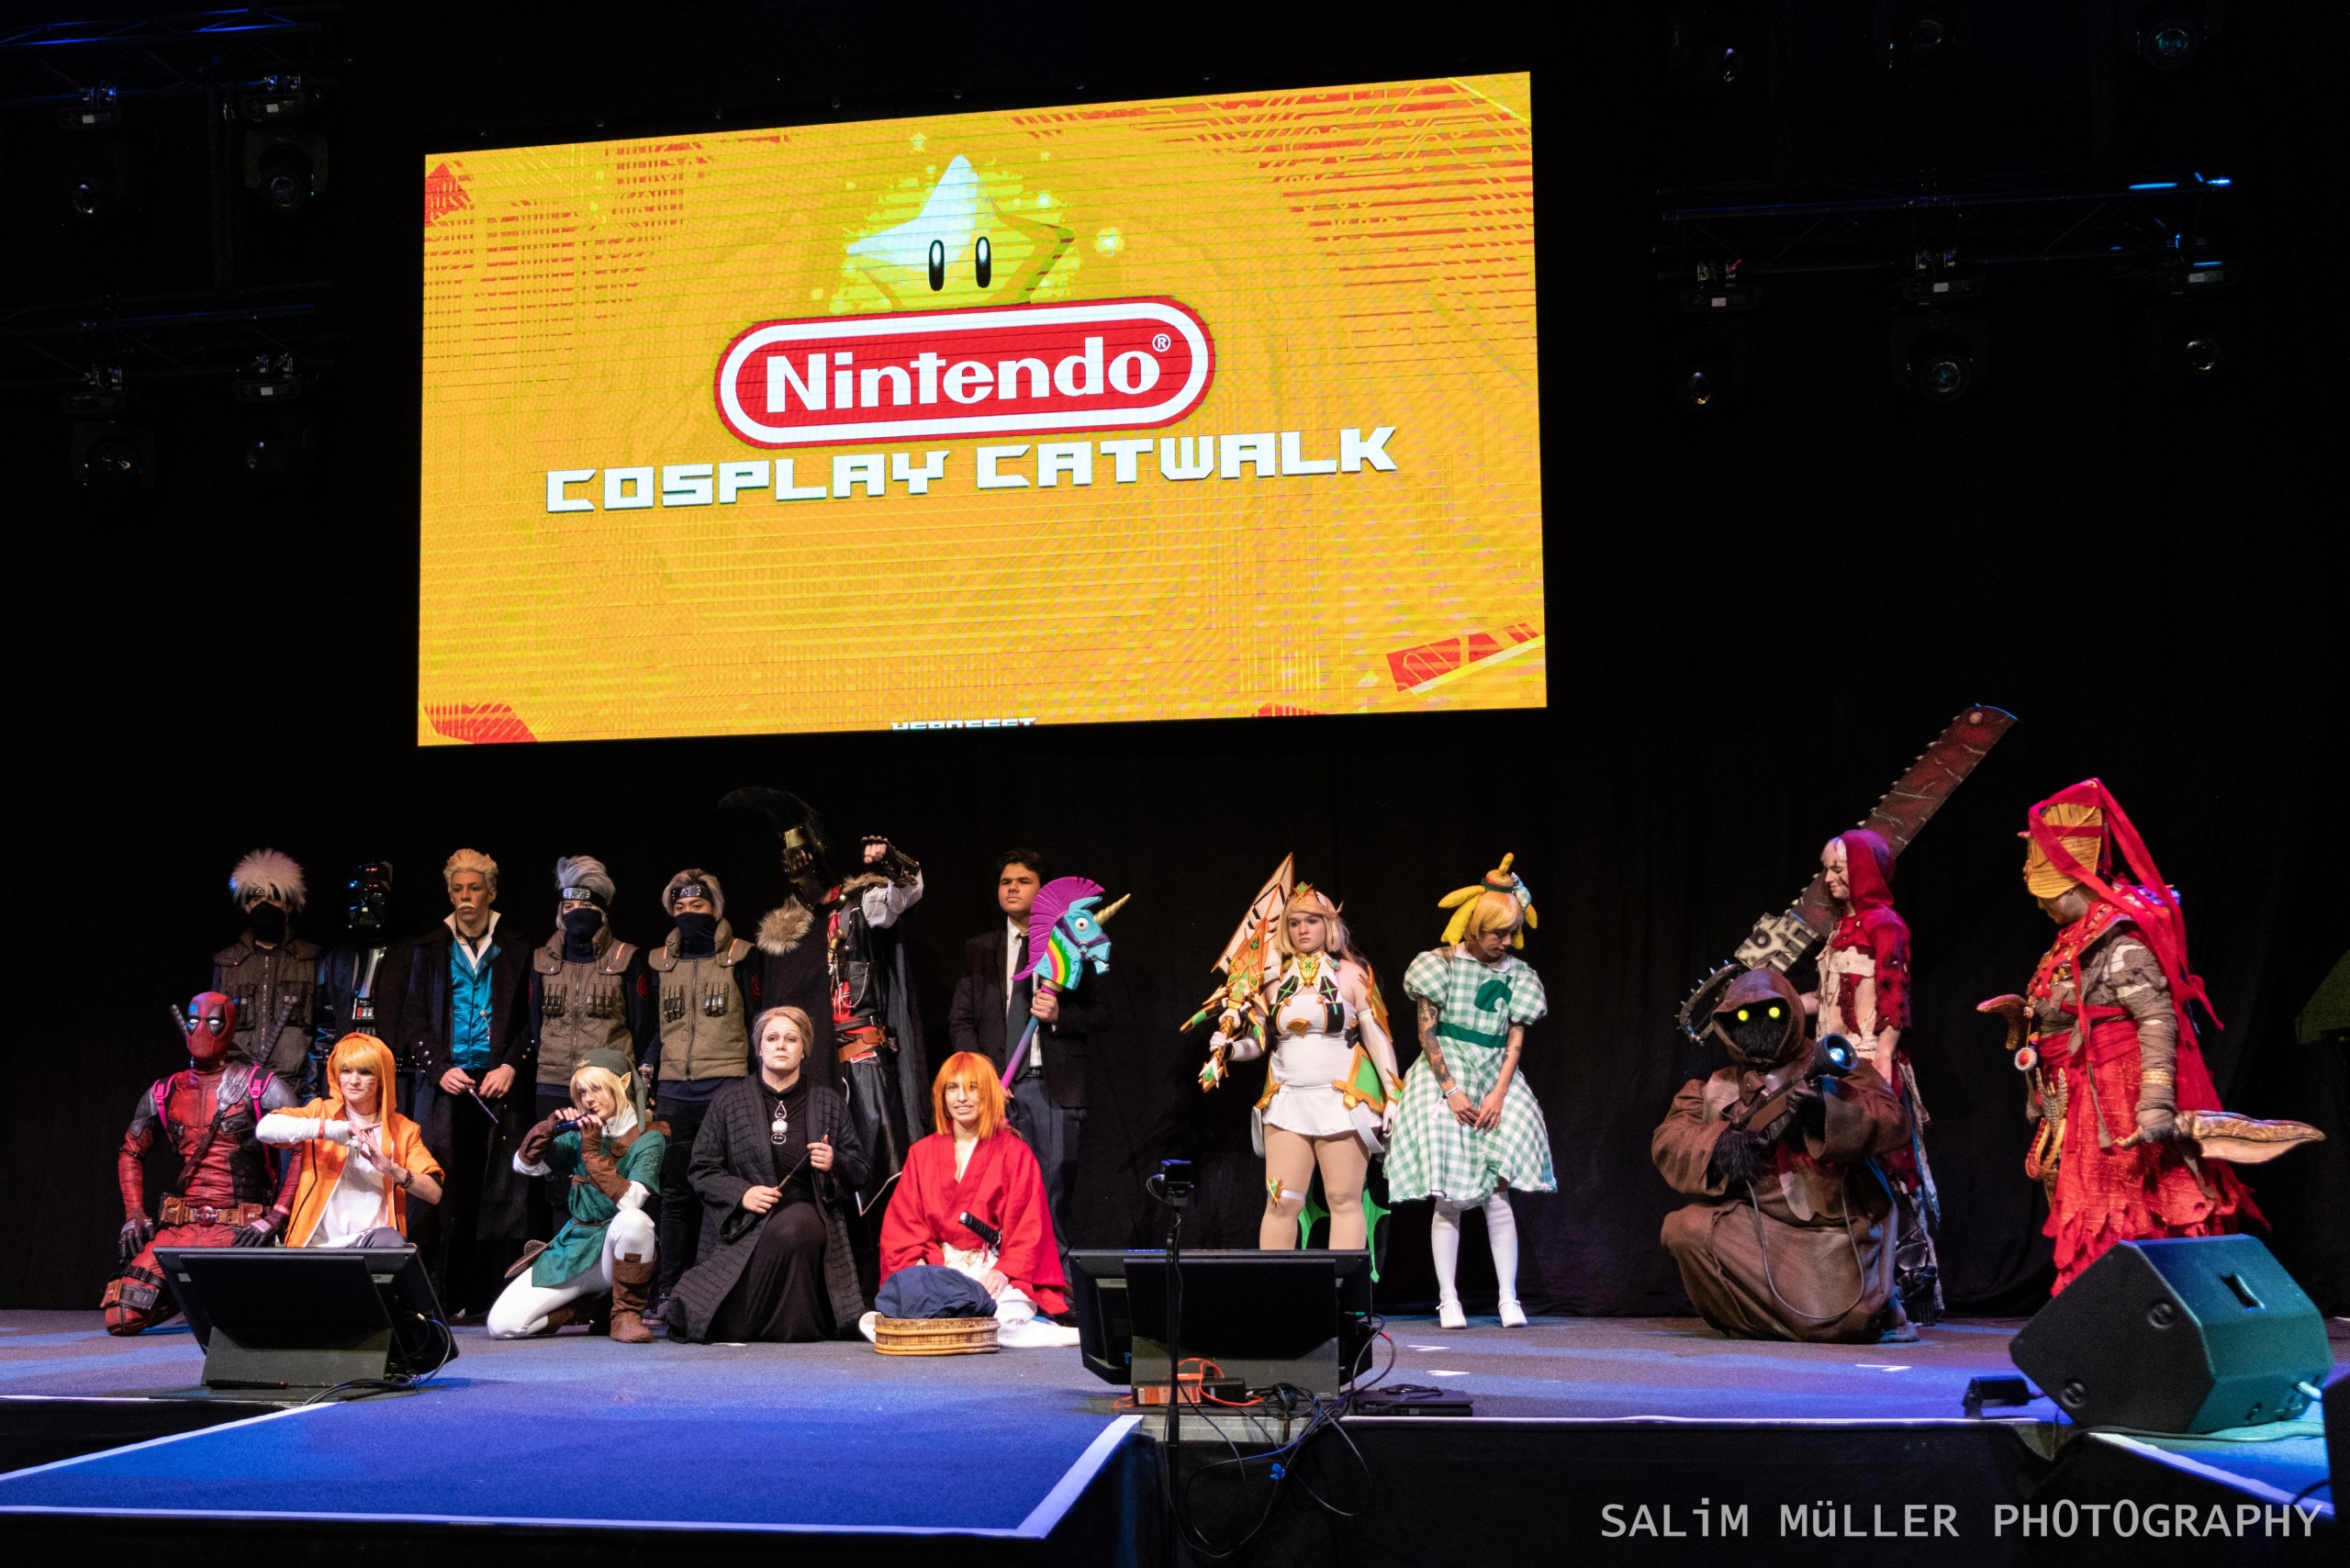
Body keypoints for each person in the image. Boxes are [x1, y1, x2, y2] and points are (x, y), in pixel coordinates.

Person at [2005, 778, 2257, 1294]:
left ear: (2075, 884)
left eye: (2049, 895)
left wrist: (2156, 1102)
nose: (2042, 906)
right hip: (2077, 1097)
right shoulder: (2069, 940)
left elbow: (2158, 1017)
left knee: (2132, 1207)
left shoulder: (2119, 940)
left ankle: (2155, 1305)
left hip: (2118, 1098)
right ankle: (2105, 1311)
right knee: (2090, 1211)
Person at [1653, 967, 1913, 1343]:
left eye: (1772, 1012)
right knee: (1686, 1228)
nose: (1758, 1023)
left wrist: (1826, 1113)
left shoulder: (1834, 1067)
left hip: (1832, 1229)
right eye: (1743, 1016)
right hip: (1753, 1229)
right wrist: (1723, 1143)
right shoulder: (1711, 1088)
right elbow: (1670, 1139)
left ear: (1791, 1011)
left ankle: (1799, 1323)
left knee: (1850, 1323)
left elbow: (1892, 1119)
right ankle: (1765, 1323)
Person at [726, 788, 926, 1212]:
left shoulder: (862, 905)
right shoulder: (786, 938)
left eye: (805, 858)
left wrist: (890, 861)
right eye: (791, 863)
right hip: (812, 1068)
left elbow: (904, 894)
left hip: (861, 1056)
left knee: (881, 1166)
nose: (801, 870)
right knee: (819, 1173)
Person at [1385, 856, 1553, 1329]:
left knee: (1498, 1189)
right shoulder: (1439, 966)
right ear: (1475, 928)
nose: (1506, 941)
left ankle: (1508, 1298)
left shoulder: (1518, 974)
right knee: (1451, 1192)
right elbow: (1427, 1033)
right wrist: (1452, 1091)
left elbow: (1515, 1039)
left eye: (1512, 933)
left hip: (1495, 1070)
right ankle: (1448, 1298)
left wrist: (1499, 1093)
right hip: (1449, 1067)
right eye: (1497, 933)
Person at [1201, 881, 1401, 1260]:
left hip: (1342, 1101)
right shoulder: (1271, 981)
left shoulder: (1353, 975)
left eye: (1312, 921)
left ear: (1329, 925)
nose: (1303, 929)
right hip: (1287, 1101)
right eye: (1294, 922)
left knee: (1344, 1200)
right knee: (1281, 1202)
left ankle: (1342, 1290)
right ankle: (1275, 1288)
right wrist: (1230, 1049)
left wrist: (1393, 1094)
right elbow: (1258, 1042)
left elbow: (1377, 1038)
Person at [947, 849, 1112, 1271]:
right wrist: (982, 1078)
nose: (1012, 888)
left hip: (1052, 1086)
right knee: (998, 1190)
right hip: (997, 1090)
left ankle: (1055, 1284)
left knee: (1050, 1188)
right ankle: (1005, 1280)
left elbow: (1103, 1012)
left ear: (1044, 890)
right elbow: (961, 1020)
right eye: (1006, 882)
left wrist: (1060, 1016)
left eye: (1023, 881)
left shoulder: (1072, 941)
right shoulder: (979, 949)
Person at [386, 848, 533, 1316]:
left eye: (474, 888)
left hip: (499, 1085)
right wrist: (438, 1069)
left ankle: (493, 1298)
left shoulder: (519, 947)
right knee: (446, 1186)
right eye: (458, 889)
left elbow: (532, 1020)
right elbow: (412, 1017)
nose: (466, 896)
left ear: (491, 892)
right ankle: (442, 1298)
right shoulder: (429, 948)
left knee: (501, 1190)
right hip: (446, 1086)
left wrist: (510, 1066)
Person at [666, 1006, 869, 1342]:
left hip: (808, 1216)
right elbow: (701, 1169)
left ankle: (787, 1326)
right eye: (772, 1038)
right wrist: (742, 1194)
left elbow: (860, 1169)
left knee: (795, 1227)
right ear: (758, 1048)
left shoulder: (828, 1102)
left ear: (804, 1049)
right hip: (745, 1225)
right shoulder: (729, 1101)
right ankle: (745, 1321)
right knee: (690, 1307)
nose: (781, 1046)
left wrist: (834, 1162)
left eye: (791, 1039)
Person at [104, 991, 299, 1333]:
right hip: (182, 1230)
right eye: (194, 1020)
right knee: (121, 1318)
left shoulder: (262, 1088)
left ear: (229, 1027)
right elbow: (130, 1152)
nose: (201, 1029)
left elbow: (304, 1149)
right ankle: (186, 1294)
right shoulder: (165, 1092)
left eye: (213, 1021)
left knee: (242, 1321)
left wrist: (276, 1217)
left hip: (239, 1232)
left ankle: (205, 1295)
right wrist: (134, 1213)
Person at [1807, 829, 1942, 1324]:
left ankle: (1913, 1285)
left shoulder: (1886, 924)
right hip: (1834, 1065)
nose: (1830, 878)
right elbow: (1826, 999)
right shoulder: (1841, 929)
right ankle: (1853, 1288)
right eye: (1827, 868)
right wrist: (1776, 1000)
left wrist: (1884, 1058)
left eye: (1840, 868)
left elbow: (1894, 992)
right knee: (1841, 1172)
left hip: (1868, 1063)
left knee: (1893, 1171)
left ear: (1864, 870)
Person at [871, 1052, 1076, 1348]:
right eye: (952, 1088)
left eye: (972, 1088)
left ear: (989, 1093)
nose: (961, 1098)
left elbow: (1029, 1226)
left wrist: (1004, 1271)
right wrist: (917, 1269)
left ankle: (1077, 1336)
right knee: (883, 1322)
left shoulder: (1015, 1153)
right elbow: (903, 1224)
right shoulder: (921, 1153)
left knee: (1000, 1325)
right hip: (939, 1268)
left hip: (992, 1267)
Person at [643, 868, 757, 1322]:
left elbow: (756, 1021)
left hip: (725, 1085)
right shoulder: (658, 962)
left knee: (724, 1191)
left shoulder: (741, 954)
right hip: (674, 1091)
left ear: (715, 908)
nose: (688, 913)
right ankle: (669, 1291)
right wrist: (648, 1070)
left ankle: (720, 1289)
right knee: (674, 1196)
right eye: (680, 907)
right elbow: (657, 1028)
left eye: (698, 905)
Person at [490, 1049, 666, 1342]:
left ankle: (625, 1315)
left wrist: (591, 1155)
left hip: (615, 1248)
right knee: (502, 1325)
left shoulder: (648, 1137)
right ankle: (583, 1308)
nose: (588, 1099)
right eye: (583, 1091)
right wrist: (546, 1130)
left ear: (622, 1083)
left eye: (596, 1088)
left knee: (636, 1221)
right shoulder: (581, 1132)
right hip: (575, 1246)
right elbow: (523, 1166)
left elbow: (632, 1202)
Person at [255, 1033, 443, 1248]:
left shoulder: (403, 1130)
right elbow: (264, 1129)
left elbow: (434, 1193)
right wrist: (332, 1130)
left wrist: (392, 1169)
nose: (353, 1081)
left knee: (392, 1244)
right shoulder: (321, 1112)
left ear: (382, 1076)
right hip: (315, 1244)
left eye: (365, 1072)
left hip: (371, 1243)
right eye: (346, 1071)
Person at [529, 856, 653, 1127]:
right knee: (555, 1151)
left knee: (607, 1153)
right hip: (552, 1084)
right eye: (569, 906)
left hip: (606, 1084)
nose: (577, 913)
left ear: (601, 909)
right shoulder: (542, 960)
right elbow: (535, 1022)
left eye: (586, 905)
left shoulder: (625, 958)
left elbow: (641, 1026)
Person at [212, 848, 324, 1095]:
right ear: (246, 905)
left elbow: (325, 1030)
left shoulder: (312, 960)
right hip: (236, 1089)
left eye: (273, 897)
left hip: (293, 1088)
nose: (264, 904)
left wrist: (312, 1092)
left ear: (289, 904)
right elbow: (214, 1033)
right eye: (256, 897)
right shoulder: (227, 963)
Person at [317, 860, 408, 1111]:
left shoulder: (412, 956)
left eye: (376, 897)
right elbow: (325, 1028)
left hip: (397, 1078)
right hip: (346, 1080)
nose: (365, 906)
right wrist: (317, 1089)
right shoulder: (336, 960)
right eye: (358, 898)